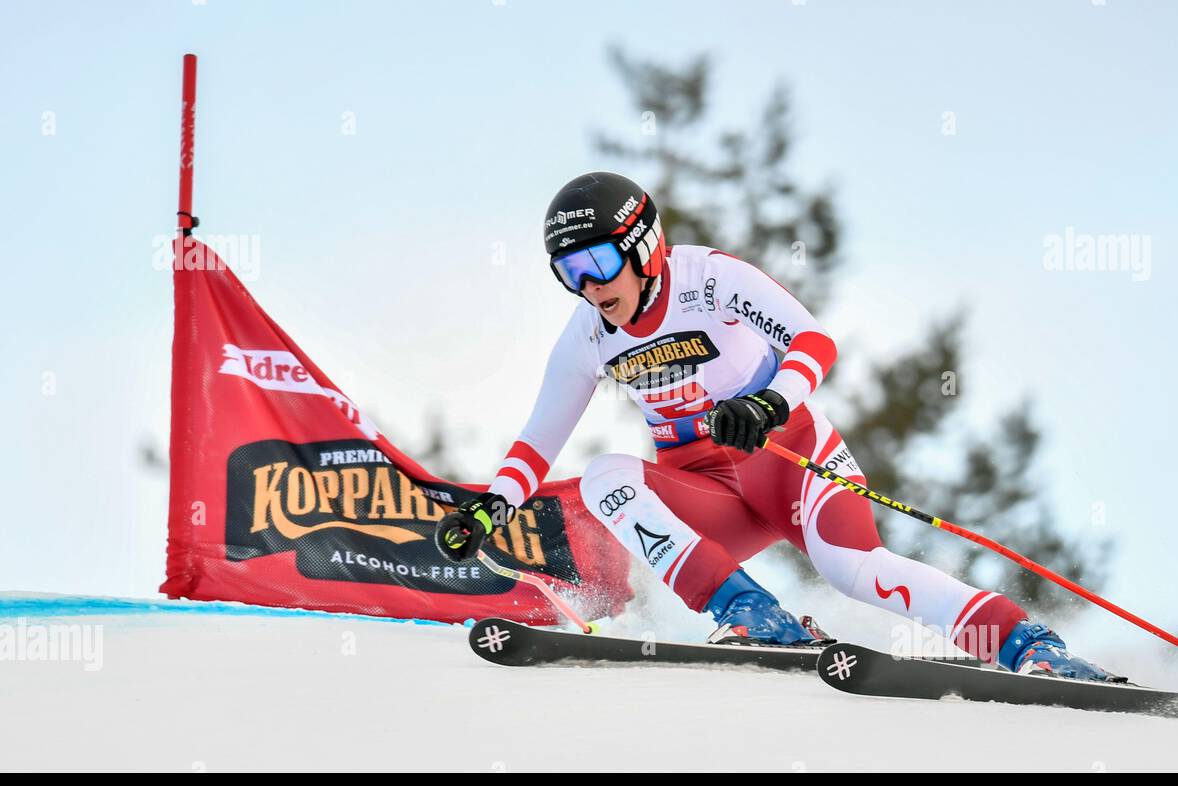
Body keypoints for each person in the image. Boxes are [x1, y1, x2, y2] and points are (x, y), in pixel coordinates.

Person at [435, 171, 1121, 680]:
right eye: (569, 273)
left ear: (642, 246)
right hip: (709, 492)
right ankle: (755, 614)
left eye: (599, 264)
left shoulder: (709, 279)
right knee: (605, 477)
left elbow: (813, 340)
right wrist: (493, 507)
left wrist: (770, 402)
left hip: (786, 459)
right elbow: (538, 437)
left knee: (855, 570)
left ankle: (1029, 647)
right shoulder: (587, 335)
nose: (590, 287)